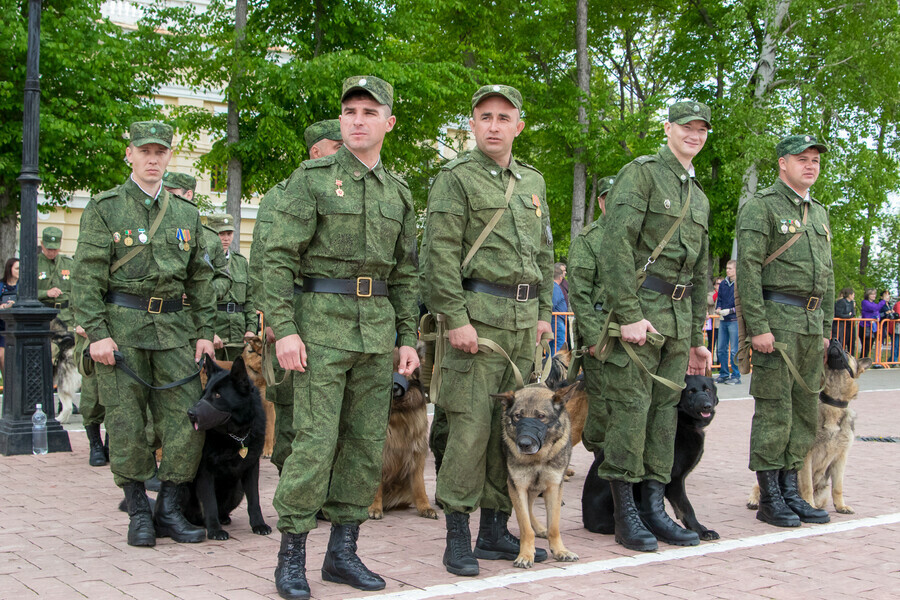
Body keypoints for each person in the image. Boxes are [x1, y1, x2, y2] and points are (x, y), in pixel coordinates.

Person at [261, 76, 418, 599]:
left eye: (369, 112)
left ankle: (343, 553)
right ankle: (291, 558)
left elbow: (405, 274)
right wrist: (284, 329)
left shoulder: (399, 193)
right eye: (350, 110)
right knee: (313, 443)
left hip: (375, 333)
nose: (357, 119)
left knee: (364, 444)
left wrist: (406, 337)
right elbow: (277, 258)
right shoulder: (311, 180)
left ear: (388, 123)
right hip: (318, 329)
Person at [420, 84, 553, 576]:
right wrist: (455, 318)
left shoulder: (533, 182)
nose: (494, 125)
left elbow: (542, 251)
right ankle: (458, 535)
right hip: (476, 324)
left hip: (521, 326)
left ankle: (494, 530)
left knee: (513, 433)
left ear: (519, 125)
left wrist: (541, 310)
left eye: (504, 117)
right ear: (472, 125)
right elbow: (438, 258)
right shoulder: (454, 179)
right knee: (470, 432)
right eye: (485, 117)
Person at [72, 120, 216, 547]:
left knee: (187, 420)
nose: (153, 159)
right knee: (127, 423)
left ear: (169, 156)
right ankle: (138, 511)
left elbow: (201, 279)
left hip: (174, 330)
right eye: (145, 151)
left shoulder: (186, 214)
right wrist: (96, 333)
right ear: (129, 155)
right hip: (122, 330)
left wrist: (205, 331)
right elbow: (87, 275)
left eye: (160, 152)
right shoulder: (105, 207)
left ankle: (169, 509)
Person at [595, 101, 712, 552]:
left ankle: (654, 507)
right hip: (642, 312)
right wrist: (627, 313)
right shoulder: (641, 174)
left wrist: (699, 337)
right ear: (668, 129)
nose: (694, 134)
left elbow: (700, 271)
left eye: (701, 129)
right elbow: (615, 245)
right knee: (630, 412)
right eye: (686, 126)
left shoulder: (697, 196)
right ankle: (626, 514)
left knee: (664, 417)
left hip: (678, 320)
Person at [736, 133, 833, 528]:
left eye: (815, 160)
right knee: (775, 410)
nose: (810, 165)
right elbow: (748, 270)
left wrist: (825, 327)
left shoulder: (821, 213)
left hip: (810, 326)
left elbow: (825, 274)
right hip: (777, 322)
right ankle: (770, 496)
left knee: (805, 412)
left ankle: (792, 490)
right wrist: (757, 327)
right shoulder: (761, 206)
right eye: (802, 159)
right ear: (782, 163)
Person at [249, 118, 343, 475]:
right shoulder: (284, 194)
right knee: (289, 401)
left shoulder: (346, 188)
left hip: (333, 315)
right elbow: (263, 260)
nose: (344, 151)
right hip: (294, 310)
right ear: (315, 151)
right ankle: (293, 481)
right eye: (336, 146)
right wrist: (274, 319)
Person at [207, 213, 256, 361]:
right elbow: (197, 302)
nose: (226, 238)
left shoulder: (240, 262)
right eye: (221, 233)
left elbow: (249, 298)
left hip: (238, 335)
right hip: (215, 331)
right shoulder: (203, 262)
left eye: (229, 233)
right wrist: (207, 333)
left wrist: (251, 329)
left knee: (238, 378)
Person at [38, 227, 75, 330]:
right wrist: (46, 293)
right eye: (48, 249)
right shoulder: (34, 263)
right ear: (42, 244)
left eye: (55, 249)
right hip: (43, 316)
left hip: (66, 317)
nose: (51, 252)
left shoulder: (69, 263)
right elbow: (22, 294)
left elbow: (76, 290)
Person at [715, 260, 739, 384]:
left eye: (730, 268)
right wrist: (718, 308)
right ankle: (723, 373)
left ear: (736, 269)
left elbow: (742, 303)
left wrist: (730, 310)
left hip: (734, 319)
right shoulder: (724, 283)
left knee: (734, 349)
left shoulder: (739, 283)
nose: (728, 270)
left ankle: (736, 374)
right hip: (723, 320)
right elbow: (719, 298)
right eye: (727, 268)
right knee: (721, 349)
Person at [0, 257, 19, 377]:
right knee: (2, 355)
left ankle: (12, 385)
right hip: (2, 327)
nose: (20, 271)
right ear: (9, 269)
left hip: (18, 327)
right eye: (17, 268)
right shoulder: (1, 285)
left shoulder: (24, 286)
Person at [859, 288, 883, 358]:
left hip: (872, 327)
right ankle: (861, 361)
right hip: (865, 326)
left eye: (874, 294)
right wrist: (883, 301)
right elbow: (874, 308)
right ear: (868, 295)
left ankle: (863, 361)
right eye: (872, 294)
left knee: (869, 346)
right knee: (866, 346)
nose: (874, 296)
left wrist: (877, 317)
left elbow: (877, 312)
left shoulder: (874, 304)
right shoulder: (865, 302)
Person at [551, 263, 568, 354]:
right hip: (557, 320)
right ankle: (554, 364)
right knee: (559, 344)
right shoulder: (555, 288)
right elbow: (552, 304)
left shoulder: (554, 287)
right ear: (560, 277)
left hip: (558, 319)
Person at [832, 287, 856, 354]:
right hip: (840, 325)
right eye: (853, 295)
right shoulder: (841, 302)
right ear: (850, 295)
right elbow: (839, 314)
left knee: (851, 342)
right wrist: (848, 315)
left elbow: (853, 313)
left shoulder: (851, 302)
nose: (854, 296)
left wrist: (849, 315)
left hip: (848, 324)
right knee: (841, 341)